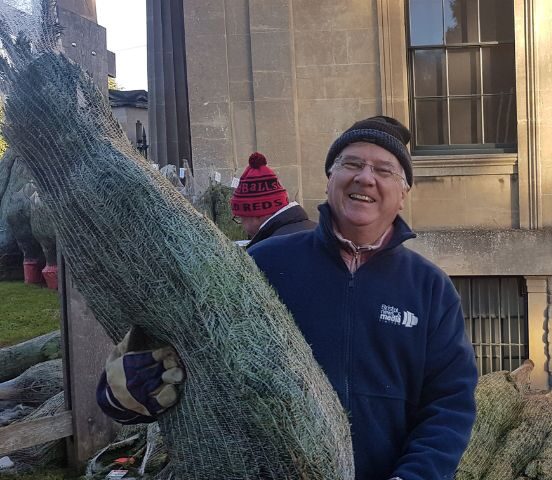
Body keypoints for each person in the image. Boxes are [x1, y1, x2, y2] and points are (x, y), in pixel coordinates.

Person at [97, 116, 479, 480]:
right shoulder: (264, 263)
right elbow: (192, 355)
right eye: (352, 163)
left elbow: (449, 405)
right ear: (330, 178)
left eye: (384, 170)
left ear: (403, 193)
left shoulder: (430, 288)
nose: (365, 177)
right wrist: (129, 390)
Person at [230, 151, 315, 248]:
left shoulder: (265, 251)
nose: (242, 227)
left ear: (256, 216)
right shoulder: (319, 232)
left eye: (240, 218)